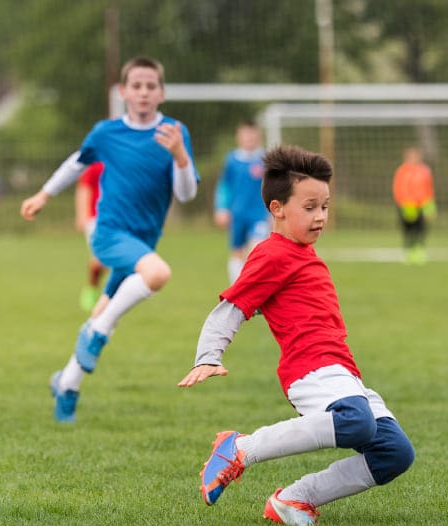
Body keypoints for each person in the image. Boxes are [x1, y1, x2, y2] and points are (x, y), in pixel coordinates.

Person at [179, 145, 415, 526]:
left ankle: (294, 499)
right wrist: (208, 356)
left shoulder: (304, 253)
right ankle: (240, 449)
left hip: (341, 371)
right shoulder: (272, 253)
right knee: (356, 422)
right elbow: (231, 308)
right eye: (310, 208)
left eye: (324, 206)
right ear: (277, 209)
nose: (320, 216)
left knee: (395, 452)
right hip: (309, 368)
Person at [20, 56, 199, 423]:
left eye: (151, 86)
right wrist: (43, 194)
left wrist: (180, 155)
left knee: (104, 310)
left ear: (161, 93)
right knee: (158, 275)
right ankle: (97, 334)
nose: (144, 92)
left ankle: (66, 385)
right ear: (123, 92)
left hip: (144, 241)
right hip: (109, 234)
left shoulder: (174, 133)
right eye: (137, 85)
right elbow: (76, 162)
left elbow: (186, 195)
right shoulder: (106, 132)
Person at [213, 122, 270, 284]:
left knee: (256, 250)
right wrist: (221, 208)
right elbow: (224, 186)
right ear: (239, 137)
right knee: (237, 251)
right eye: (246, 134)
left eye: (253, 134)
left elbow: (273, 188)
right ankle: (237, 288)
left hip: (258, 215)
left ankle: (253, 288)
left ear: (259, 136)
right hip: (237, 214)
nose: (250, 138)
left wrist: (273, 212)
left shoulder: (265, 160)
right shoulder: (232, 160)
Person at [391, 145, 437, 265]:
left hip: (422, 205)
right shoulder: (402, 171)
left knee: (421, 229)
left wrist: (430, 205)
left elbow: (428, 188)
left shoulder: (425, 170)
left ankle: (419, 251)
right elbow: (398, 188)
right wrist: (402, 202)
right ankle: (408, 251)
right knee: (408, 229)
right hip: (407, 205)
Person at [74, 162, 106, 311]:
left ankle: (111, 297)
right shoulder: (97, 164)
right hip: (96, 219)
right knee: (99, 260)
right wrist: (82, 214)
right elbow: (84, 187)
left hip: (119, 218)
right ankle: (92, 287)